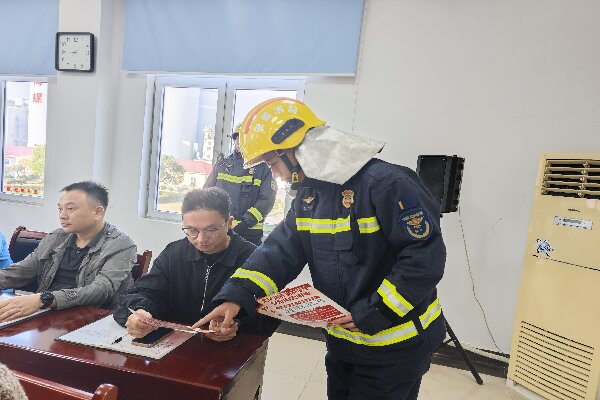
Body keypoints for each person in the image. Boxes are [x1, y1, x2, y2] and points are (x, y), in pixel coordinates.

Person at [195, 98, 446, 400]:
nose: (274, 174)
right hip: (344, 344)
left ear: (293, 149)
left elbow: (424, 258)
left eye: (272, 163)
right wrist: (237, 297)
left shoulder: (387, 183)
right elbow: (278, 253)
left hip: (394, 349)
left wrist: (375, 311)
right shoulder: (309, 197)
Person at [114, 187, 279, 342]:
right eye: (192, 231)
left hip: (232, 349)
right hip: (175, 345)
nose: (201, 239)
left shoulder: (253, 259)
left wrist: (238, 325)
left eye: (211, 230)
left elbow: (269, 317)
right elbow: (146, 291)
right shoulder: (174, 253)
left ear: (229, 223)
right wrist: (142, 311)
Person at [0, 181, 136, 322]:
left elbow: (101, 290)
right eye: (60, 209)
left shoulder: (121, 245)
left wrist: (44, 299)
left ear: (97, 212)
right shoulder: (56, 237)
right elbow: (22, 270)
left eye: (70, 209)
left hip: (91, 318)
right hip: (46, 315)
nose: (62, 215)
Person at [203, 123, 276, 246]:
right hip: (220, 231)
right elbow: (205, 194)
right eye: (238, 138)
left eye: (246, 138)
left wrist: (245, 223)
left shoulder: (264, 169)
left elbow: (267, 200)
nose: (241, 142)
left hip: (249, 234)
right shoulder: (222, 165)